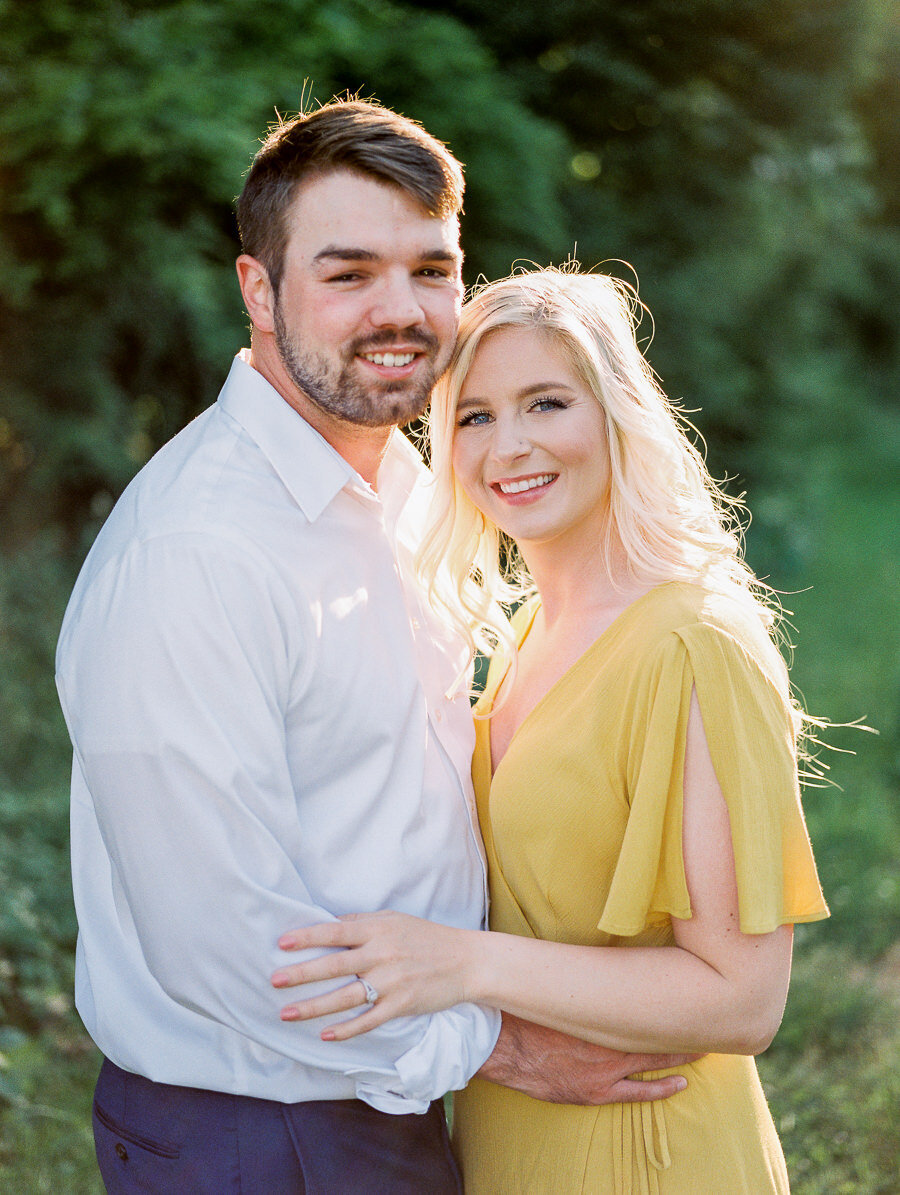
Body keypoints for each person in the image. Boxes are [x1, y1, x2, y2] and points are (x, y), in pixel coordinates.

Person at [56, 108, 691, 1194]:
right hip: (259, 1130)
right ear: (259, 291)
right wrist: (510, 1047)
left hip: (389, 1091)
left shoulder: (405, 488)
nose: (400, 312)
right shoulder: (196, 553)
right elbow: (229, 944)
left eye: (429, 270)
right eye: (348, 274)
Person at [268, 267, 831, 1193]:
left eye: (546, 402)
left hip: (647, 1153)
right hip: (514, 1143)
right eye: (475, 416)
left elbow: (744, 997)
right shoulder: (527, 629)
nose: (510, 445)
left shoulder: (692, 642)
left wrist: (460, 963)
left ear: (616, 414)